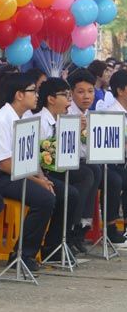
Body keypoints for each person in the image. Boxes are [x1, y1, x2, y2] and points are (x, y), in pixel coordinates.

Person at [0, 73, 69, 270]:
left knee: (60, 191)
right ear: (19, 95)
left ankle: (51, 247)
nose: (36, 96)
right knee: (44, 199)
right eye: (33, 91)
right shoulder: (0, 120)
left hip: (20, 171)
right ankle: (22, 254)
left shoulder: (25, 117)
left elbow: (31, 155)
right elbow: (5, 164)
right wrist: (36, 180)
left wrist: (41, 177)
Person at [34, 78, 91, 254]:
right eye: (65, 96)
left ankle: (71, 231)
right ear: (51, 99)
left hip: (54, 168)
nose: (69, 101)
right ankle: (53, 245)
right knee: (69, 193)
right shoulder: (39, 122)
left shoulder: (59, 119)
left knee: (87, 173)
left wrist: (76, 130)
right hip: (39, 172)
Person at [67, 69, 104, 236]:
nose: (87, 96)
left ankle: (85, 222)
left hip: (83, 160)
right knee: (88, 174)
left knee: (96, 169)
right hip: (66, 161)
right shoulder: (67, 113)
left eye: (90, 91)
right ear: (71, 93)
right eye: (81, 92)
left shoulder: (90, 113)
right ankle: (74, 226)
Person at [104, 70, 127, 243]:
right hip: (110, 163)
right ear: (120, 90)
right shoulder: (111, 114)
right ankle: (111, 226)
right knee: (116, 180)